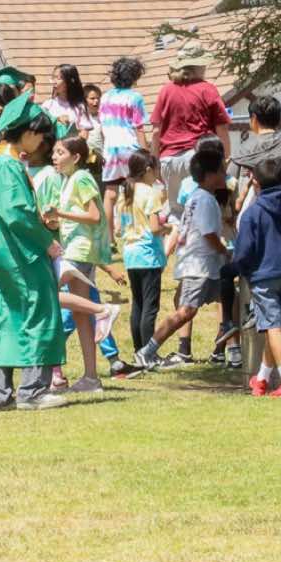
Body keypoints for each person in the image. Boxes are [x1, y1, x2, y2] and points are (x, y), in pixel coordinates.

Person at [0, 97, 70, 411]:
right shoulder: (7, 165)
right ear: (27, 132)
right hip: (19, 254)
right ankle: (33, 391)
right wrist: (46, 240)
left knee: (2, 320)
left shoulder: (0, 161)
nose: (43, 142)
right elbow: (15, 212)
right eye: (40, 134)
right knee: (36, 313)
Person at [133, 151, 231, 370]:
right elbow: (208, 233)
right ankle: (146, 351)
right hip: (198, 266)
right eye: (221, 171)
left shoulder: (198, 197)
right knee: (186, 311)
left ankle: (231, 351)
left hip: (205, 265)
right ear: (209, 175)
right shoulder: (205, 200)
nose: (225, 174)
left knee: (229, 301)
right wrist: (225, 251)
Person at [43, 134, 122, 392]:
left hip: (80, 250)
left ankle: (103, 309)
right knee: (79, 315)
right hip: (74, 248)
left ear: (76, 157)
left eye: (60, 153)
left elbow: (94, 216)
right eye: (54, 152)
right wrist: (55, 220)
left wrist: (60, 213)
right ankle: (91, 377)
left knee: (47, 294)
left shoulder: (81, 178)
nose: (55, 157)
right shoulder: (68, 180)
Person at [229, 157, 281, 397]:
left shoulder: (253, 213)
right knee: (276, 329)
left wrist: (242, 270)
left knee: (272, 328)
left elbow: (244, 251)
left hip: (263, 276)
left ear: (255, 182)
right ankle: (261, 379)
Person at [151, 46, 232, 201]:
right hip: (199, 158)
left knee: (176, 211)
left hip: (169, 161)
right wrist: (226, 159)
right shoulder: (207, 89)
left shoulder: (165, 91)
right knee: (203, 208)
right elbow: (222, 128)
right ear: (199, 67)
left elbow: (156, 132)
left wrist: (155, 164)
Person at [117, 151, 171, 360]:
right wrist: (169, 228)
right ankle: (148, 354)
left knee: (138, 304)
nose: (158, 174)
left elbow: (120, 227)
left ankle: (138, 350)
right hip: (148, 254)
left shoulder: (125, 192)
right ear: (148, 170)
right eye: (156, 170)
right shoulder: (150, 192)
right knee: (150, 306)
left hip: (130, 254)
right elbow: (155, 228)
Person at [96, 57, 151, 249]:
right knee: (136, 189)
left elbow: (102, 125)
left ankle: (109, 239)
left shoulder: (105, 97)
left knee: (110, 193)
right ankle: (136, 231)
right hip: (130, 147)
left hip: (111, 149)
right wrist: (145, 153)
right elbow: (139, 127)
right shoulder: (135, 98)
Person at [41, 64, 95, 141]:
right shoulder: (47, 105)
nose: (54, 82)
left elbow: (84, 133)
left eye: (58, 78)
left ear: (70, 81)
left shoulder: (80, 107)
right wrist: (57, 120)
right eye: (53, 77)